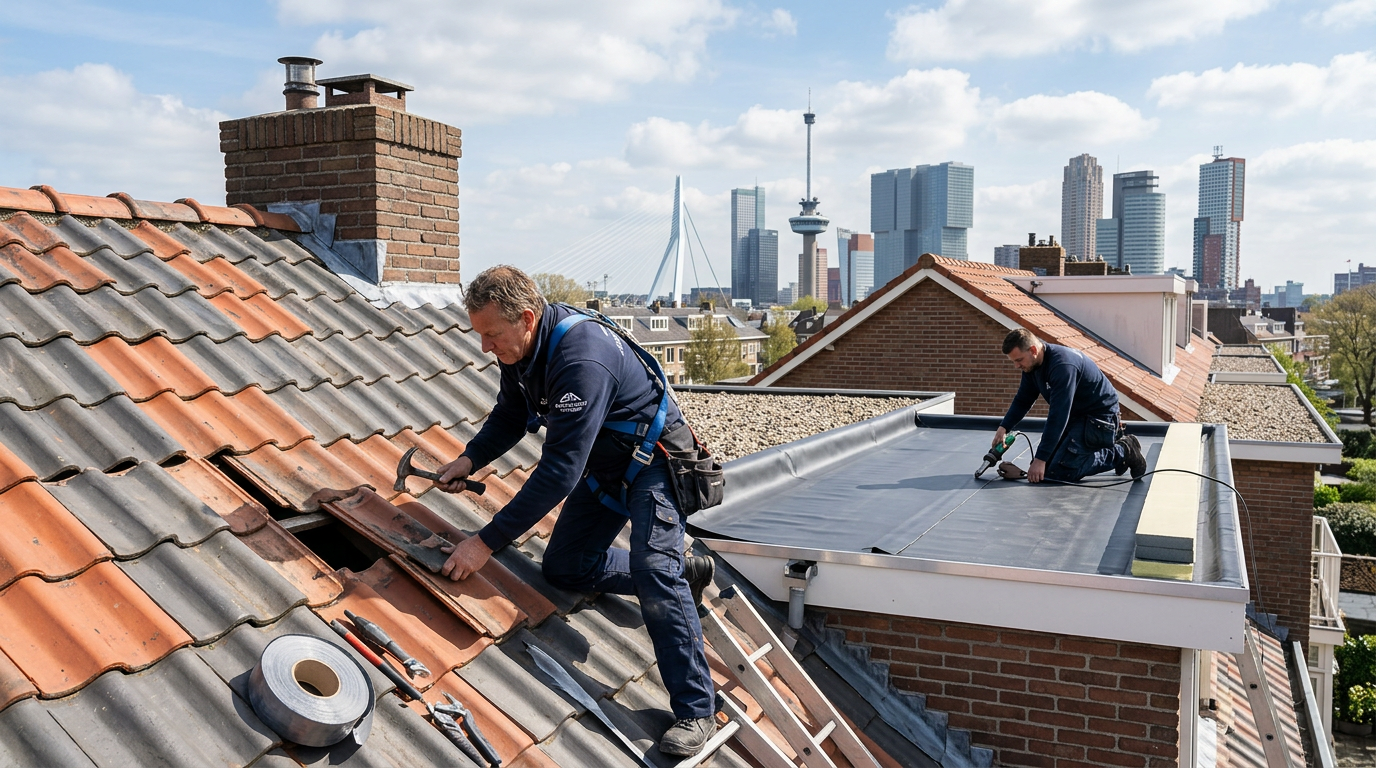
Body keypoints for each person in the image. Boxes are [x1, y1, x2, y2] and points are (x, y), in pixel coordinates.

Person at [433, 266, 718, 757]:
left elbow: (560, 471)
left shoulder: (582, 359)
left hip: (656, 467)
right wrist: (469, 458)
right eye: (480, 335)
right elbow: (510, 413)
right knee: (565, 568)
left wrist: (485, 542)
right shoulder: (523, 349)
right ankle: (686, 572)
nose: (485, 348)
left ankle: (697, 708)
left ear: (526, 317)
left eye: (491, 335)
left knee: (654, 570)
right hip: (608, 470)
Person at [993, 328, 1146, 484]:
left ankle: (1124, 451)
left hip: (1099, 418)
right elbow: (1023, 400)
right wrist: (1004, 427)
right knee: (1046, 469)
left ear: (1033, 350)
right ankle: (1115, 445)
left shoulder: (1062, 366)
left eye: (1019, 360)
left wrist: (1040, 458)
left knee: (1060, 472)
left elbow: (1058, 415)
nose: (1017, 366)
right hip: (1077, 417)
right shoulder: (1032, 366)